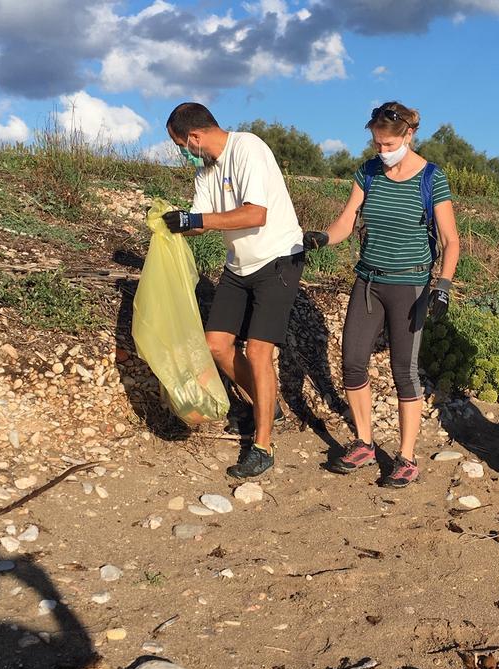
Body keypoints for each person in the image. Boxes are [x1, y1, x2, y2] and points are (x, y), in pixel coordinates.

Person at [303, 101, 459, 488]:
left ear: (408, 135)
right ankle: (365, 443)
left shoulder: (431, 179)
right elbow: (346, 220)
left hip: (410, 285)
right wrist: (320, 239)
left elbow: (451, 241)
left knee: (404, 372)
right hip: (368, 282)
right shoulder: (368, 172)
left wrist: (443, 286)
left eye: (388, 144)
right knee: (352, 363)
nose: (382, 151)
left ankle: (406, 458)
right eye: (376, 144)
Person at [162, 102, 304, 479]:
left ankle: (262, 446)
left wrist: (199, 220)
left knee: (258, 351)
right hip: (238, 265)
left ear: (194, 137)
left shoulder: (248, 148)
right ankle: (266, 405)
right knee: (217, 345)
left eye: (181, 146)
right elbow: (200, 219)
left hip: (278, 260)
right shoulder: (206, 171)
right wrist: (174, 223)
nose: (183, 154)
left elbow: (255, 213)